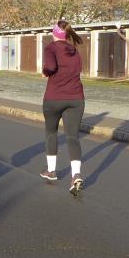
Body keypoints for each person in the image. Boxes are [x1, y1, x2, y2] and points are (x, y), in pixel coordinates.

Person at [39, 20, 85, 195]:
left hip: (54, 98)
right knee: (73, 137)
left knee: (51, 133)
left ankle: (51, 171)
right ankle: (76, 175)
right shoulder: (74, 50)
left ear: (55, 33)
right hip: (76, 99)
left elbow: (51, 66)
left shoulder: (51, 48)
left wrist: (45, 71)